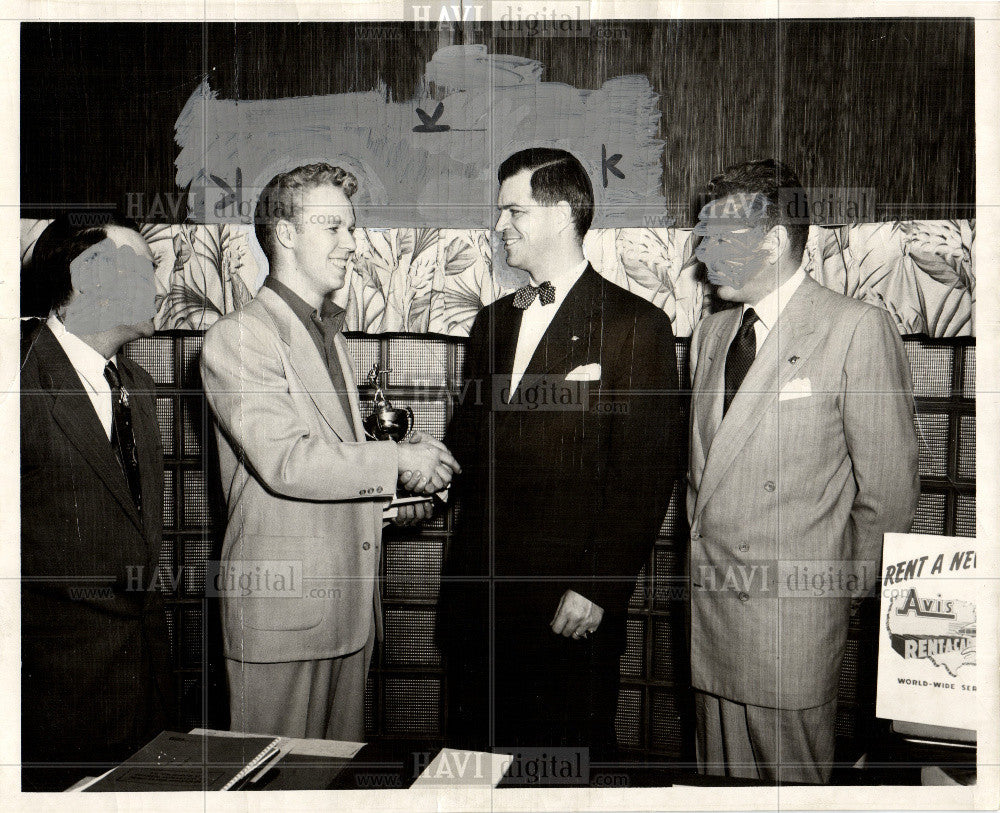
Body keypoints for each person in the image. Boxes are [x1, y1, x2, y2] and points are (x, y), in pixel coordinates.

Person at [200, 162, 459, 741]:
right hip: (283, 617)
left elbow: (333, 469)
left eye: (351, 227)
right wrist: (397, 462)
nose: (351, 244)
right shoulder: (240, 336)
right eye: (333, 228)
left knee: (330, 784)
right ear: (285, 234)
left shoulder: (329, 336)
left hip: (346, 618)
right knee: (274, 788)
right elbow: (287, 461)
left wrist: (397, 499)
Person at [436, 148, 681, 758]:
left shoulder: (635, 325)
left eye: (512, 211)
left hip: (565, 610)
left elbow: (645, 474)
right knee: (470, 771)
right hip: (478, 608)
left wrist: (597, 586)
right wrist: (414, 486)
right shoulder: (490, 323)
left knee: (559, 775)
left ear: (562, 213)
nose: (499, 226)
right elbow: (467, 448)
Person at [686, 158, 919, 783]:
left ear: (770, 242)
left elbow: (889, 491)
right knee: (716, 789)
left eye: (714, 237)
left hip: (790, 626)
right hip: (712, 617)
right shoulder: (712, 334)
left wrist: (832, 596)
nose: (701, 255)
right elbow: (702, 478)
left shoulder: (854, 329)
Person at [20, 212, 175, 790]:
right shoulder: (20, 381)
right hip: (49, 709)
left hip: (141, 696)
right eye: (145, 269)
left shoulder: (138, 385)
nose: (159, 287)